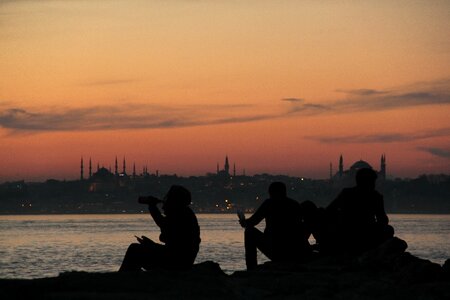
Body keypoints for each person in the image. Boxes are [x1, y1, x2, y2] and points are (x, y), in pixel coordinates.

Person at [119, 185, 201, 272]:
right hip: (180, 261)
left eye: (168, 200)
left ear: (175, 202)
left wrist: (152, 207)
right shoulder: (186, 213)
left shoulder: (181, 215)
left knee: (134, 250)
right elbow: (173, 247)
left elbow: (164, 226)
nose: (163, 207)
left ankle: (123, 277)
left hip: (176, 263)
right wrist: (152, 245)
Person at [239, 182, 311, 270]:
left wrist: (243, 222)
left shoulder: (269, 204)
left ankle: (251, 267)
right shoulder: (294, 204)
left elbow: (252, 222)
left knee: (249, 232)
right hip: (294, 251)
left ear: (272, 193)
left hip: (275, 250)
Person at [324, 168, 394, 255]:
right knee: (389, 230)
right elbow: (382, 220)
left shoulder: (347, 193)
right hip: (363, 233)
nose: (374, 185)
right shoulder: (376, 197)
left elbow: (329, 210)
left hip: (346, 232)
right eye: (372, 182)